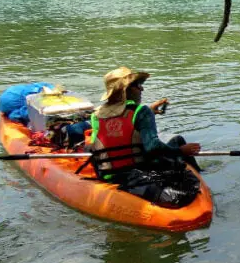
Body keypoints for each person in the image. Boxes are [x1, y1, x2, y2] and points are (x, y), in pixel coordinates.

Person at [86, 67, 202, 207]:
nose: (142, 89)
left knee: (174, 143)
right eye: (138, 85)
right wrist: (180, 151)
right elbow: (153, 147)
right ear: (126, 89)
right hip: (140, 172)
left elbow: (100, 140)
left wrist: (150, 113)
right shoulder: (142, 112)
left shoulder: (96, 115)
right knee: (178, 141)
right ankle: (201, 176)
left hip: (110, 175)